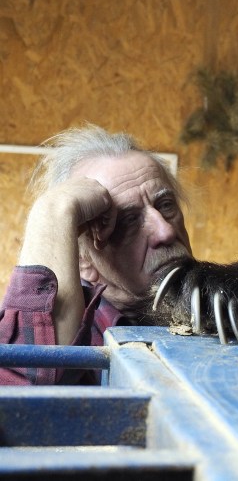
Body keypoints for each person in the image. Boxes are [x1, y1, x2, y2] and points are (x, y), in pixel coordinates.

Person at [0, 124, 193, 385]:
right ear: (83, 262)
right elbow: (16, 392)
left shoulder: (224, 305)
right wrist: (53, 210)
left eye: (166, 206)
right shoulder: (83, 343)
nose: (165, 231)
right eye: (127, 221)